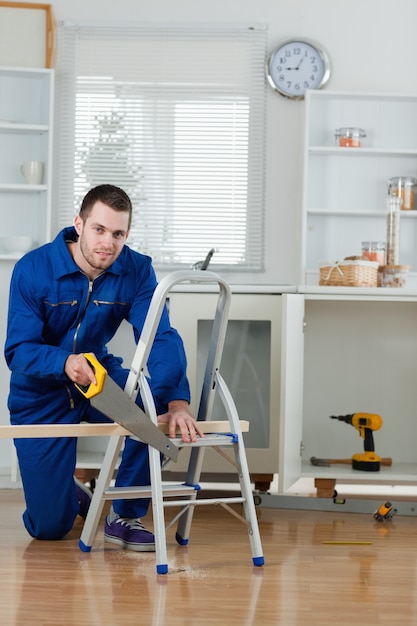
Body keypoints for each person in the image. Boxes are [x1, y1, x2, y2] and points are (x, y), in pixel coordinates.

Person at [4, 183, 203, 551]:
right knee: (50, 527)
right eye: (99, 229)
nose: (108, 244)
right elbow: (18, 351)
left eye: (118, 234)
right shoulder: (34, 268)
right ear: (78, 224)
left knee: (152, 401)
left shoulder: (137, 270)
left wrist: (176, 401)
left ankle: (123, 514)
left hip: (99, 374)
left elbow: (160, 336)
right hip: (39, 392)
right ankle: (70, 495)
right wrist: (63, 362)